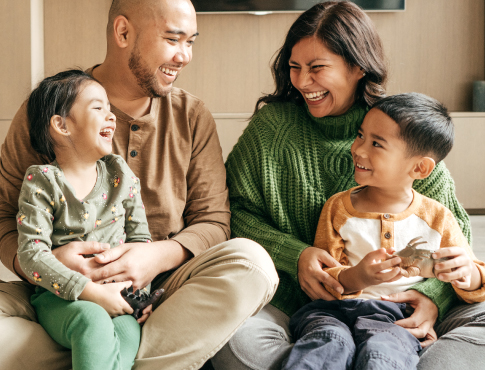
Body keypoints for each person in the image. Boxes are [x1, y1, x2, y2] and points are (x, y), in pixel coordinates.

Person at [0, 0, 279, 369]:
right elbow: (3, 216)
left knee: (253, 264)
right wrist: (51, 264)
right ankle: (111, 351)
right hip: (56, 289)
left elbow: (214, 223)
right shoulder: (51, 108)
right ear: (123, 32)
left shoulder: (192, 116)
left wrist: (153, 258)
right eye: (173, 39)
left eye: (190, 42)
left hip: (161, 293)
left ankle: (96, 352)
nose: (184, 56)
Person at [211, 2, 485, 370]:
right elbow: (231, 213)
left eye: (317, 68)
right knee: (234, 340)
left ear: (357, 67)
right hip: (299, 304)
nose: (302, 82)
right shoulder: (272, 128)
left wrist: (430, 296)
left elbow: (455, 237)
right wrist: (296, 255)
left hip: (397, 310)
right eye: (294, 67)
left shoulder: (399, 129)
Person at [282, 93, 485, 370]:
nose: (358, 149)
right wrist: (358, 276)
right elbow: (325, 275)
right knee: (325, 344)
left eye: (376, 143)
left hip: (396, 318)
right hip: (332, 313)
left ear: (420, 167)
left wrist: (469, 275)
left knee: (384, 354)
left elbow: (473, 278)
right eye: (360, 136)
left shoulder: (438, 217)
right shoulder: (338, 208)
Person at [17, 69, 154, 370]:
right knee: (91, 321)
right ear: (61, 125)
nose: (111, 116)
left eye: (110, 107)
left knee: (128, 334)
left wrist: (138, 295)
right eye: (98, 107)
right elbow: (30, 255)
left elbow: (141, 242)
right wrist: (90, 291)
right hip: (60, 299)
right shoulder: (41, 181)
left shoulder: (121, 175)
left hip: (118, 294)